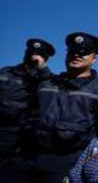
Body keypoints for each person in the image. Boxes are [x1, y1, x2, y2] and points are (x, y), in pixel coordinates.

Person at [5, 32, 98, 182]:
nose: (77, 55)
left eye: (83, 53)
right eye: (72, 51)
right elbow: (26, 115)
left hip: (66, 163)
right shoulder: (46, 84)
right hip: (26, 158)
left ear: (93, 59)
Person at [0, 39, 55, 173]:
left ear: (45, 59)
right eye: (31, 53)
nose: (33, 57)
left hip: (29, 138)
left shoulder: (49, 80)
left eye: (39, 55)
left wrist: (41, 71)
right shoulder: (6, 73)